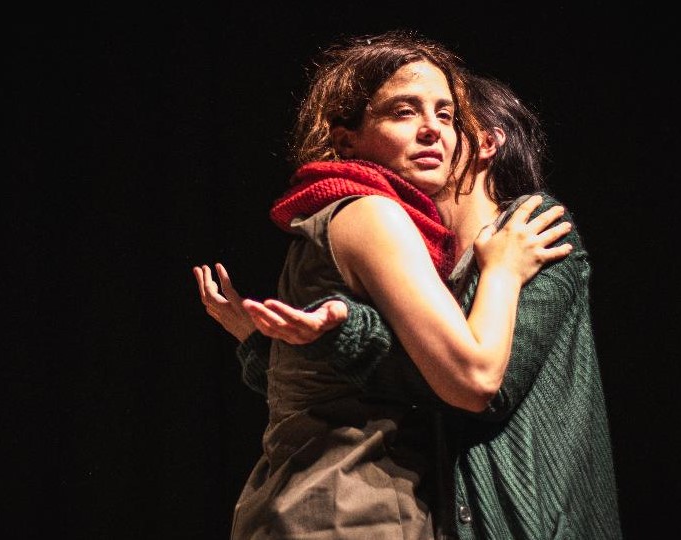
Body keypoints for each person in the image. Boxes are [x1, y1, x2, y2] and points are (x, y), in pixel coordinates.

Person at [199, 72, 622, 538]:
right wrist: (273, 342)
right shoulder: (421, 266)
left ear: (486, 141)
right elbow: (373, 401)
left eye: (447, 117)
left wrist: (348, 332)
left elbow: (481, 388)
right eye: (406, 113)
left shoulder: (529, 230)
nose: (430, 131)